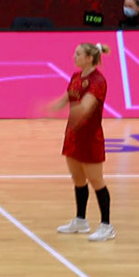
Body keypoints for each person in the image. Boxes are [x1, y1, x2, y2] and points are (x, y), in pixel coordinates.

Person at [49, 42, 115, 241]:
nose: (74, 56)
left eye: (77, 54)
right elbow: (66, 98)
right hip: (73, 134)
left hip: (90, 137)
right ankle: (81, 220)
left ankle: (106, 225)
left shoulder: (98, 81)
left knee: (96, 181)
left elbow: (87, 106)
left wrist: (75, 111)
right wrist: (49, 109)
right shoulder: (76, 77)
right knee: (78, 179)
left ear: (89, 58)